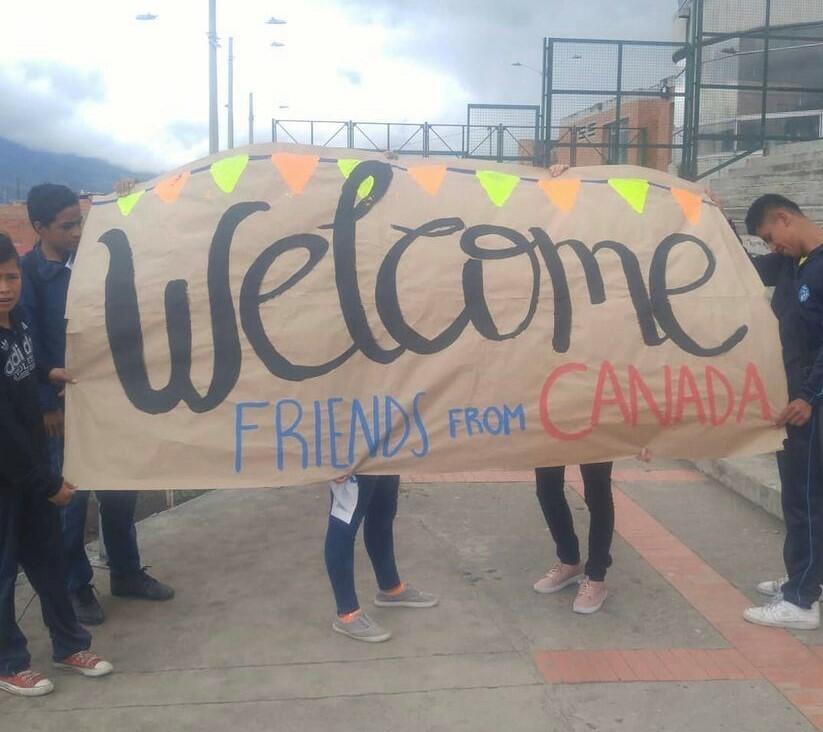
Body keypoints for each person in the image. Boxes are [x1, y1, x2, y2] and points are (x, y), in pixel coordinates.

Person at [21, 183, 173, 627]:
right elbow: (27, 344)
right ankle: (76, 585)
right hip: (62, 408)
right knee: (71, 498)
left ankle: (125, 571)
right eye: (67, 225)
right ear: (39, 227)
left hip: (107, 397)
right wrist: (47, 403)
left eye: (79, 221)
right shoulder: (28, 275)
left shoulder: (91, 262)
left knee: (119, 489)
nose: (76, 231)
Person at [0, 232, 113, 696]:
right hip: (11, 477)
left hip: (28, 471)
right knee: (4, 574)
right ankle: (10, 662)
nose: (4, 288)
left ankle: (69, 646)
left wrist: (50, 370)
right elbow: (4, 433)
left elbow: (27, 367)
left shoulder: (18, 320)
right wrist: (47, 482)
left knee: (48, 562)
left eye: (8, 276)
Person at [742, 193, 823, 630]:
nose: (772, 248)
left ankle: (802, 601)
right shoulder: (793, 263)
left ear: (785, 218)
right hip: (792, 397)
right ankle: (804, 576)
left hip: (809, 404)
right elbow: (740, 266)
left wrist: (809, 395)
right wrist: (711, 216)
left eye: (772, 238)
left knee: (806, 497)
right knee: (797, 492)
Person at [325, 474, 438, 642]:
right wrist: (336, 459)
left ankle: (390, 587)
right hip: (351, 454)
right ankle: (348, 612)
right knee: (344, 523)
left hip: (382, 452)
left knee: (383, 511)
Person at [532, 462, 614, 613]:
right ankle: (569, 561)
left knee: (597, 490)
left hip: (596, 438)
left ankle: (596, 576)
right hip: (551, 439)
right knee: (546, 488)